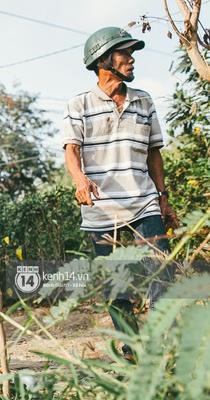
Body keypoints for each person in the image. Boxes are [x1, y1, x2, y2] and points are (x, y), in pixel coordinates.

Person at [62, 27, 179, 362]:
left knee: (163, 270)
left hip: (144, 202)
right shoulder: (79, 104)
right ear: (103, 60)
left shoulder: (144, 100)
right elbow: (71, 151)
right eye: (124, 54)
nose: (131, 59)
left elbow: (154, 153)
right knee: (116, 287)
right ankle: (133, 350)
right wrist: (80, 180)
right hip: (102, 210)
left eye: (132, 53)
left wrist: (163, 197)